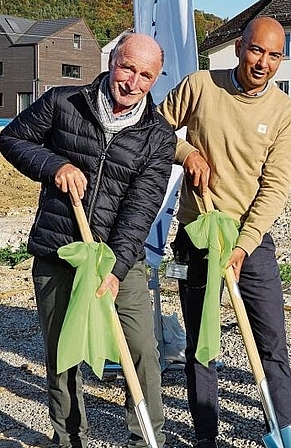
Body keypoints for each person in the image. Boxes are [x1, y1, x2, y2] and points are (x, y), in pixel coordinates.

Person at [0, 32, 175, 447]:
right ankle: (69, 438)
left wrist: (113, 268)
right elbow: (11, 138)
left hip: (119, 260)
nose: (132, 82)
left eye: (145, 75)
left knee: (141, 352)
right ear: (112, 60)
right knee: (63, 353)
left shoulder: (158, 136)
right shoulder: (64, 102)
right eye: (128, 67)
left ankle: (148, 439)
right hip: (60, 249)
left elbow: (141, 208)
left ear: (155, 80)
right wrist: (53, 164)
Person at [157, 16, 291, 448]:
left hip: (249, 241)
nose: (264, 63)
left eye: (274, 55)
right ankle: (205, 435)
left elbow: (275, 187)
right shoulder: (200, 85)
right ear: (239, 47)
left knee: (271, 338)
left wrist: (242, 246)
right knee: (202, 338)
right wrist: (186, 153)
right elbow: (155, 129)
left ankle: (281, 428)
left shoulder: (284, 112)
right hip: (196, 234)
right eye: (257, 50)